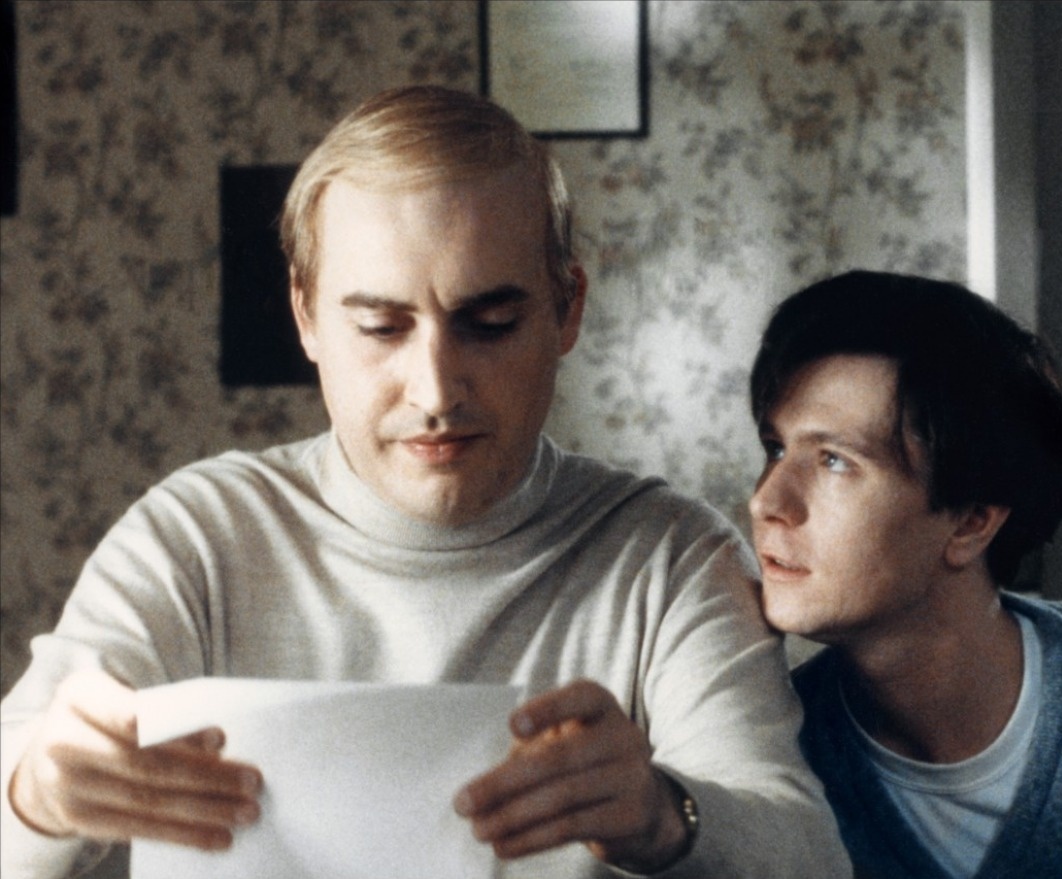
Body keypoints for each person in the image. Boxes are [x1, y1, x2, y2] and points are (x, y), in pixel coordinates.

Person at [0, 86, 851, 879]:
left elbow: (809, 852)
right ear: (306, 317)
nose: (437, 391)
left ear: (567, 309)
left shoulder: (669, 554)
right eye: (381, 326)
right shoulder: (195, 536)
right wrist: (37, 792)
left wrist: (666, 815)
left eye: (491, 323)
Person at [747, 269, 1062, 879]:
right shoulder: (767, 754)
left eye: (834, 460)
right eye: (776, 449)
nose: (767, 501)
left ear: (970, 523)